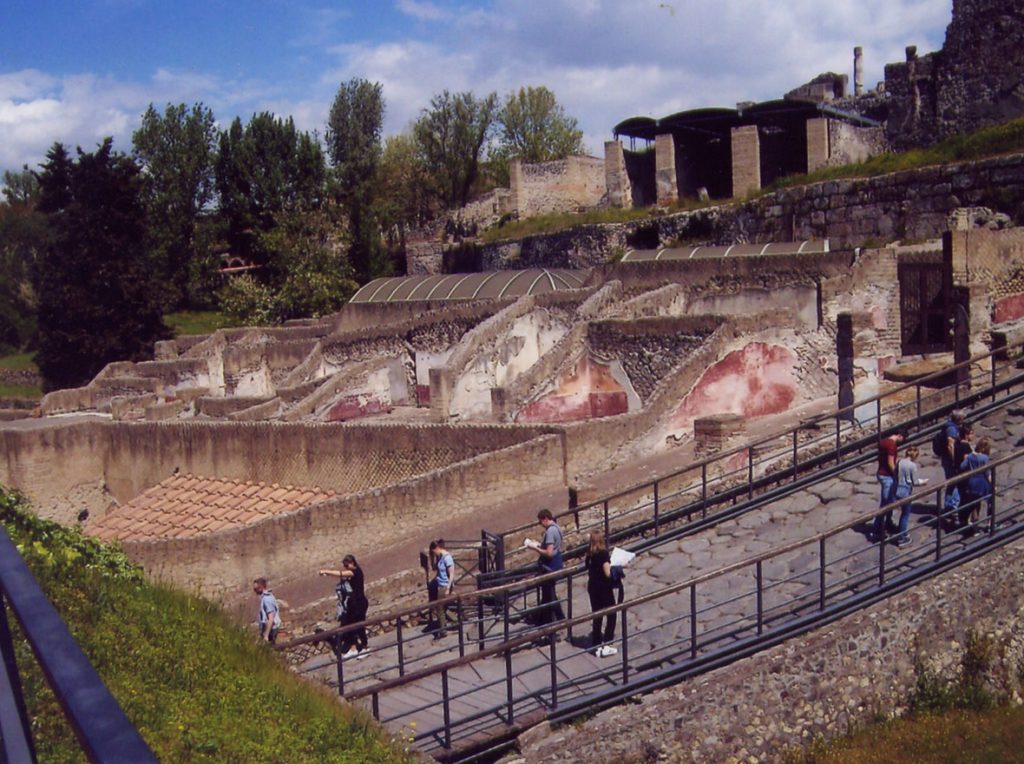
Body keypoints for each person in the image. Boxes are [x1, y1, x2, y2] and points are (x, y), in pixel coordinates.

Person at [318, 555, 369, 659]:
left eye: (346, 565)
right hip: (353, 604)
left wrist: (326, 571)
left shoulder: (355, 572)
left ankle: (365, 647)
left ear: (352, 563)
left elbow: (340, 574)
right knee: (348, 626)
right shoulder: (351, 572)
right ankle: (353, 648)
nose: (345, 567)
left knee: (359, 626)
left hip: (359, 604)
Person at [527, 508, 565, 631]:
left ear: (545, 519)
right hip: (556, 563)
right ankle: (558, 617)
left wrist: (535, 548)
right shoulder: (557, 528)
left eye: (540, 522)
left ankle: (549, 620)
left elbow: (549, 553)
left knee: (548, 593)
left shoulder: (550, 532)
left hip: (550, 566)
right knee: (550, 593)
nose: (540, 525)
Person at [585, 531, 617, 657]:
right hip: (604, 588)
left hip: (593, 587)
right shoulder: (603, 554)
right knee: (611, 614)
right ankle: (608, 643)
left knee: (597, 614)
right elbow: (607, 573)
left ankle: (596, 643)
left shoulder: (590, 554)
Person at [872, 429, 906, 541]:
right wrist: (897, 475)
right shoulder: (891, 446)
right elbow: (890, 463)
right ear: (899, 435)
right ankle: (877, 529)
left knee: (889, 501)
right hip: (887, 476)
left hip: (881, 473)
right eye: (902, 439)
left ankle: (887, 523)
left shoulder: (884, 442)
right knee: (886, 504)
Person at [894, 445, 926, 547]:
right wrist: (923, 482)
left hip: (898, 488)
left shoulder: (899, 462)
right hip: (906, 490)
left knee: (903, 513)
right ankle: (902, 538)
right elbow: (915, 481)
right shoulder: (912, 466)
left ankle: (902, 532)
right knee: (905, 514)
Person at [959, 436, 992, 534]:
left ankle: (975, 528)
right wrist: (992, 483)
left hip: (972, 482)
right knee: (990, 501)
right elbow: (987, 473)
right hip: (982, 482)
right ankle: (990, 523)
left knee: (974, 505)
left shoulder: (970, 456)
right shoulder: (984, 458)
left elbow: (962, 466)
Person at [940, 410, 967, 521]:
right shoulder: (951, 429)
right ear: (959, 419)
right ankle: (952, 507)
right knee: (955, 482)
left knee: (951, 483)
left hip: (946, 459)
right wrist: (954, 460)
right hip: (950, 461)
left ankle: (949, 507)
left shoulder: (949, 425)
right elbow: (950, 446)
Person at [429, 539, 454, 640]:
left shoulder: (447, 558)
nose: (433, 553)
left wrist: (448, 588)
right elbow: (436, 569)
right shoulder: (440, 557)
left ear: (437, 548)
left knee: (439, 608)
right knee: (443, 608)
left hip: (444, 586)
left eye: (433, 551)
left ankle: (443, 630)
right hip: (440, 584)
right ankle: (456, 620)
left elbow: (451, 574)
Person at [952, 423, 976, 530]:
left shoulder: (957, 443)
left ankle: (962, 519)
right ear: (966, 435)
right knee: (967, 498)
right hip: (965, 476)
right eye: (971, 433)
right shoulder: (965, 446)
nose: (973, 436)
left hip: (958, 473)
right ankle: (965, 521)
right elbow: (965, 462)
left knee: (962, 497)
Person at [252, 577, 280, 644]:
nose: (254, 591)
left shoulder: (266, 600)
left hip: (271, 631)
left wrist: (266, 635)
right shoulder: (268, 597)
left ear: (261, 587)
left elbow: (271, 618)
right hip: (271, 631)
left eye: (255, 589)